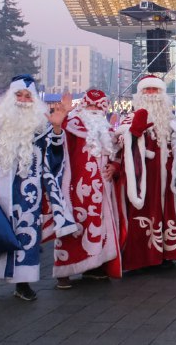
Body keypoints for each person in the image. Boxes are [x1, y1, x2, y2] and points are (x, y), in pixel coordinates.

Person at [0, 75, 77, 309]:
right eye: (18, 95)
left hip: (25, 197)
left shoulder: (41, 127)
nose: (22, 99)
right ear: (10, 97)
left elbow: (54, 159)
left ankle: (23, 284)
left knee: (25, 238)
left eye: (27, 96)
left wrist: (58, 128)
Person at [111, 75, 176, 272]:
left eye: (155, 90)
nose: (151, 94)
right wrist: (135, 134)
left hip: (164, 177)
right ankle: (141, 259)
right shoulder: (130, 118)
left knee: (165, 211)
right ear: (140, 94)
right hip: (143, 177)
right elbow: (120, 143)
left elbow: (175, 142)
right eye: (147, 90)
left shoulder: (170, 120)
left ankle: (165, 255)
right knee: (142, 213)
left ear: (162, 94)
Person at [53, 88, 121, 289]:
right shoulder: (70, 124)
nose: (93, 109)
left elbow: (116, 155)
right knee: (72, 228)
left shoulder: (106, 128)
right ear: (83, 105)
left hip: (101, 191)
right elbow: (58, 147)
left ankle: (94, 266)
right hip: (75, 188)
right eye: (89, 105)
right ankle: (64, 271)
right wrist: (61, 120)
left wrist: (114, 167)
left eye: (98, 106)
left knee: (97, 228)